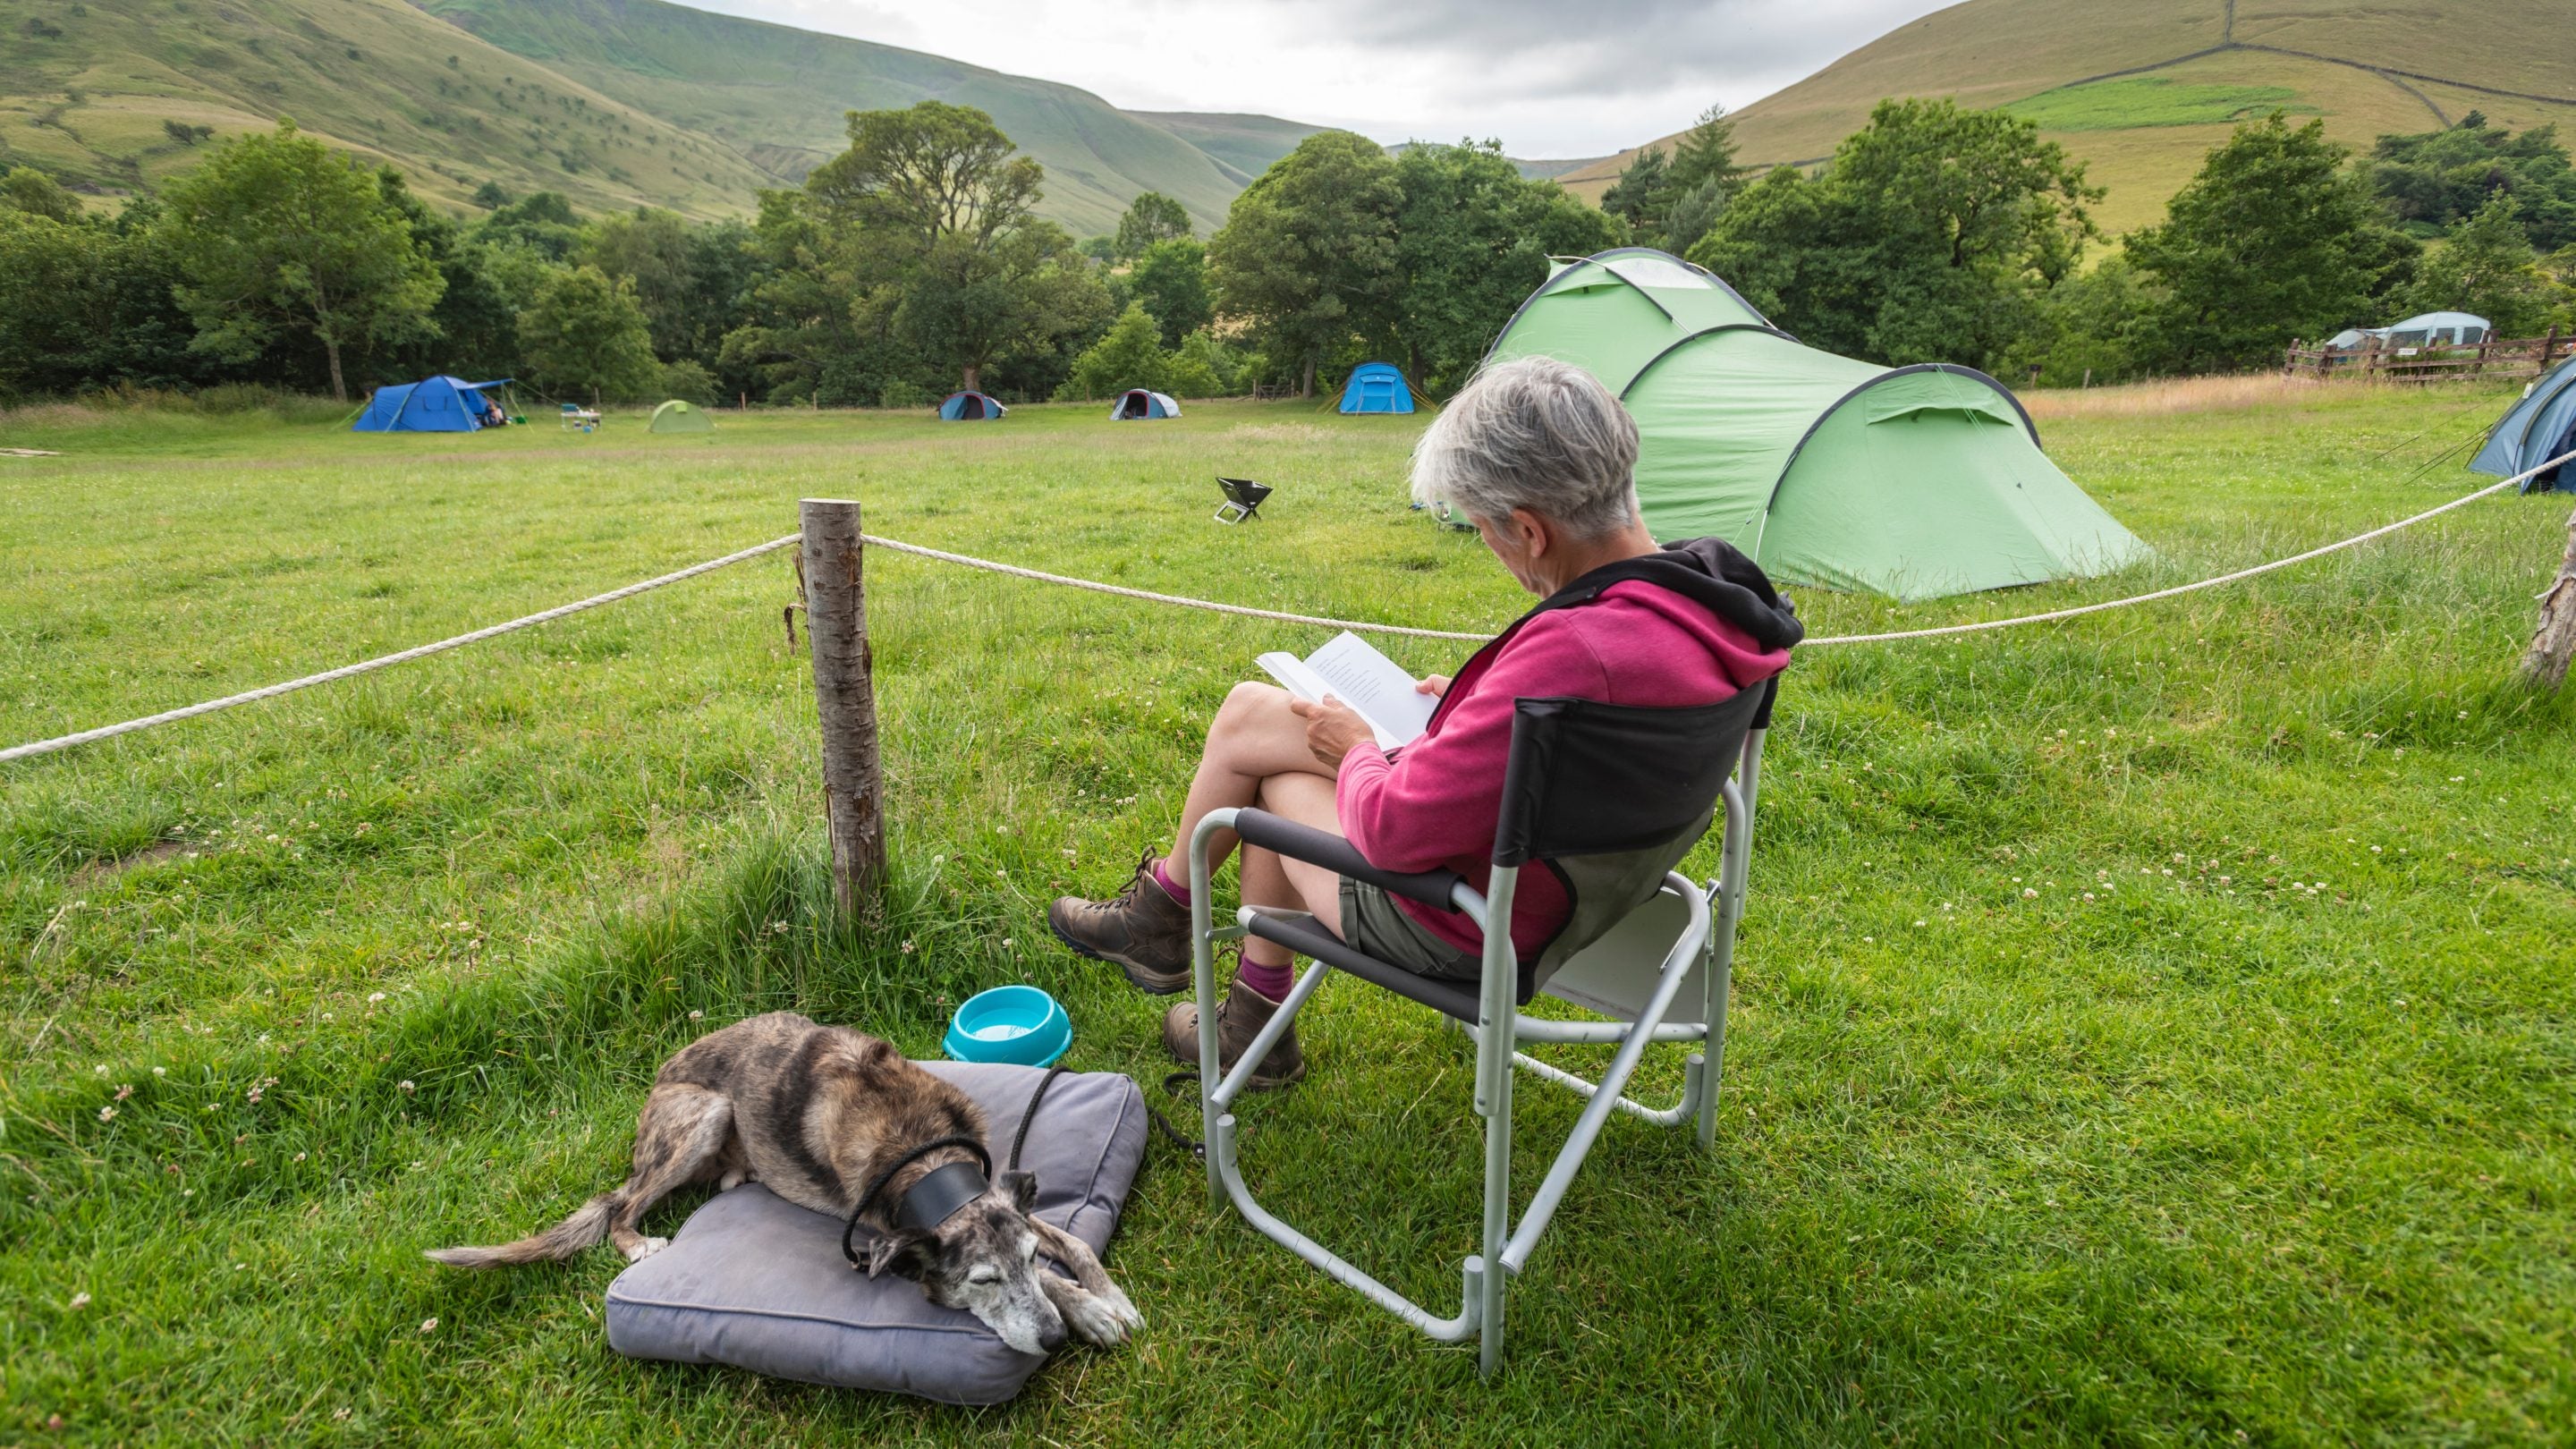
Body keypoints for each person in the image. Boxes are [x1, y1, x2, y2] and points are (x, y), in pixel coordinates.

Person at [1048, 357, 1801, 1087]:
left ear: (1531, 531)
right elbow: (1595, 732)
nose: (1493, 550)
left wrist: (1360, 750)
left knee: (1267, 770)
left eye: (1485, 531)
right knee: (1255, 712)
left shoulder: (1574, 651)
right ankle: (1176, 933)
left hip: (1473, 922)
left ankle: (1206, 967)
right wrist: (1475, 717)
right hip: (1593, 884)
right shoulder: (1710, 598)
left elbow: (1392, 830)